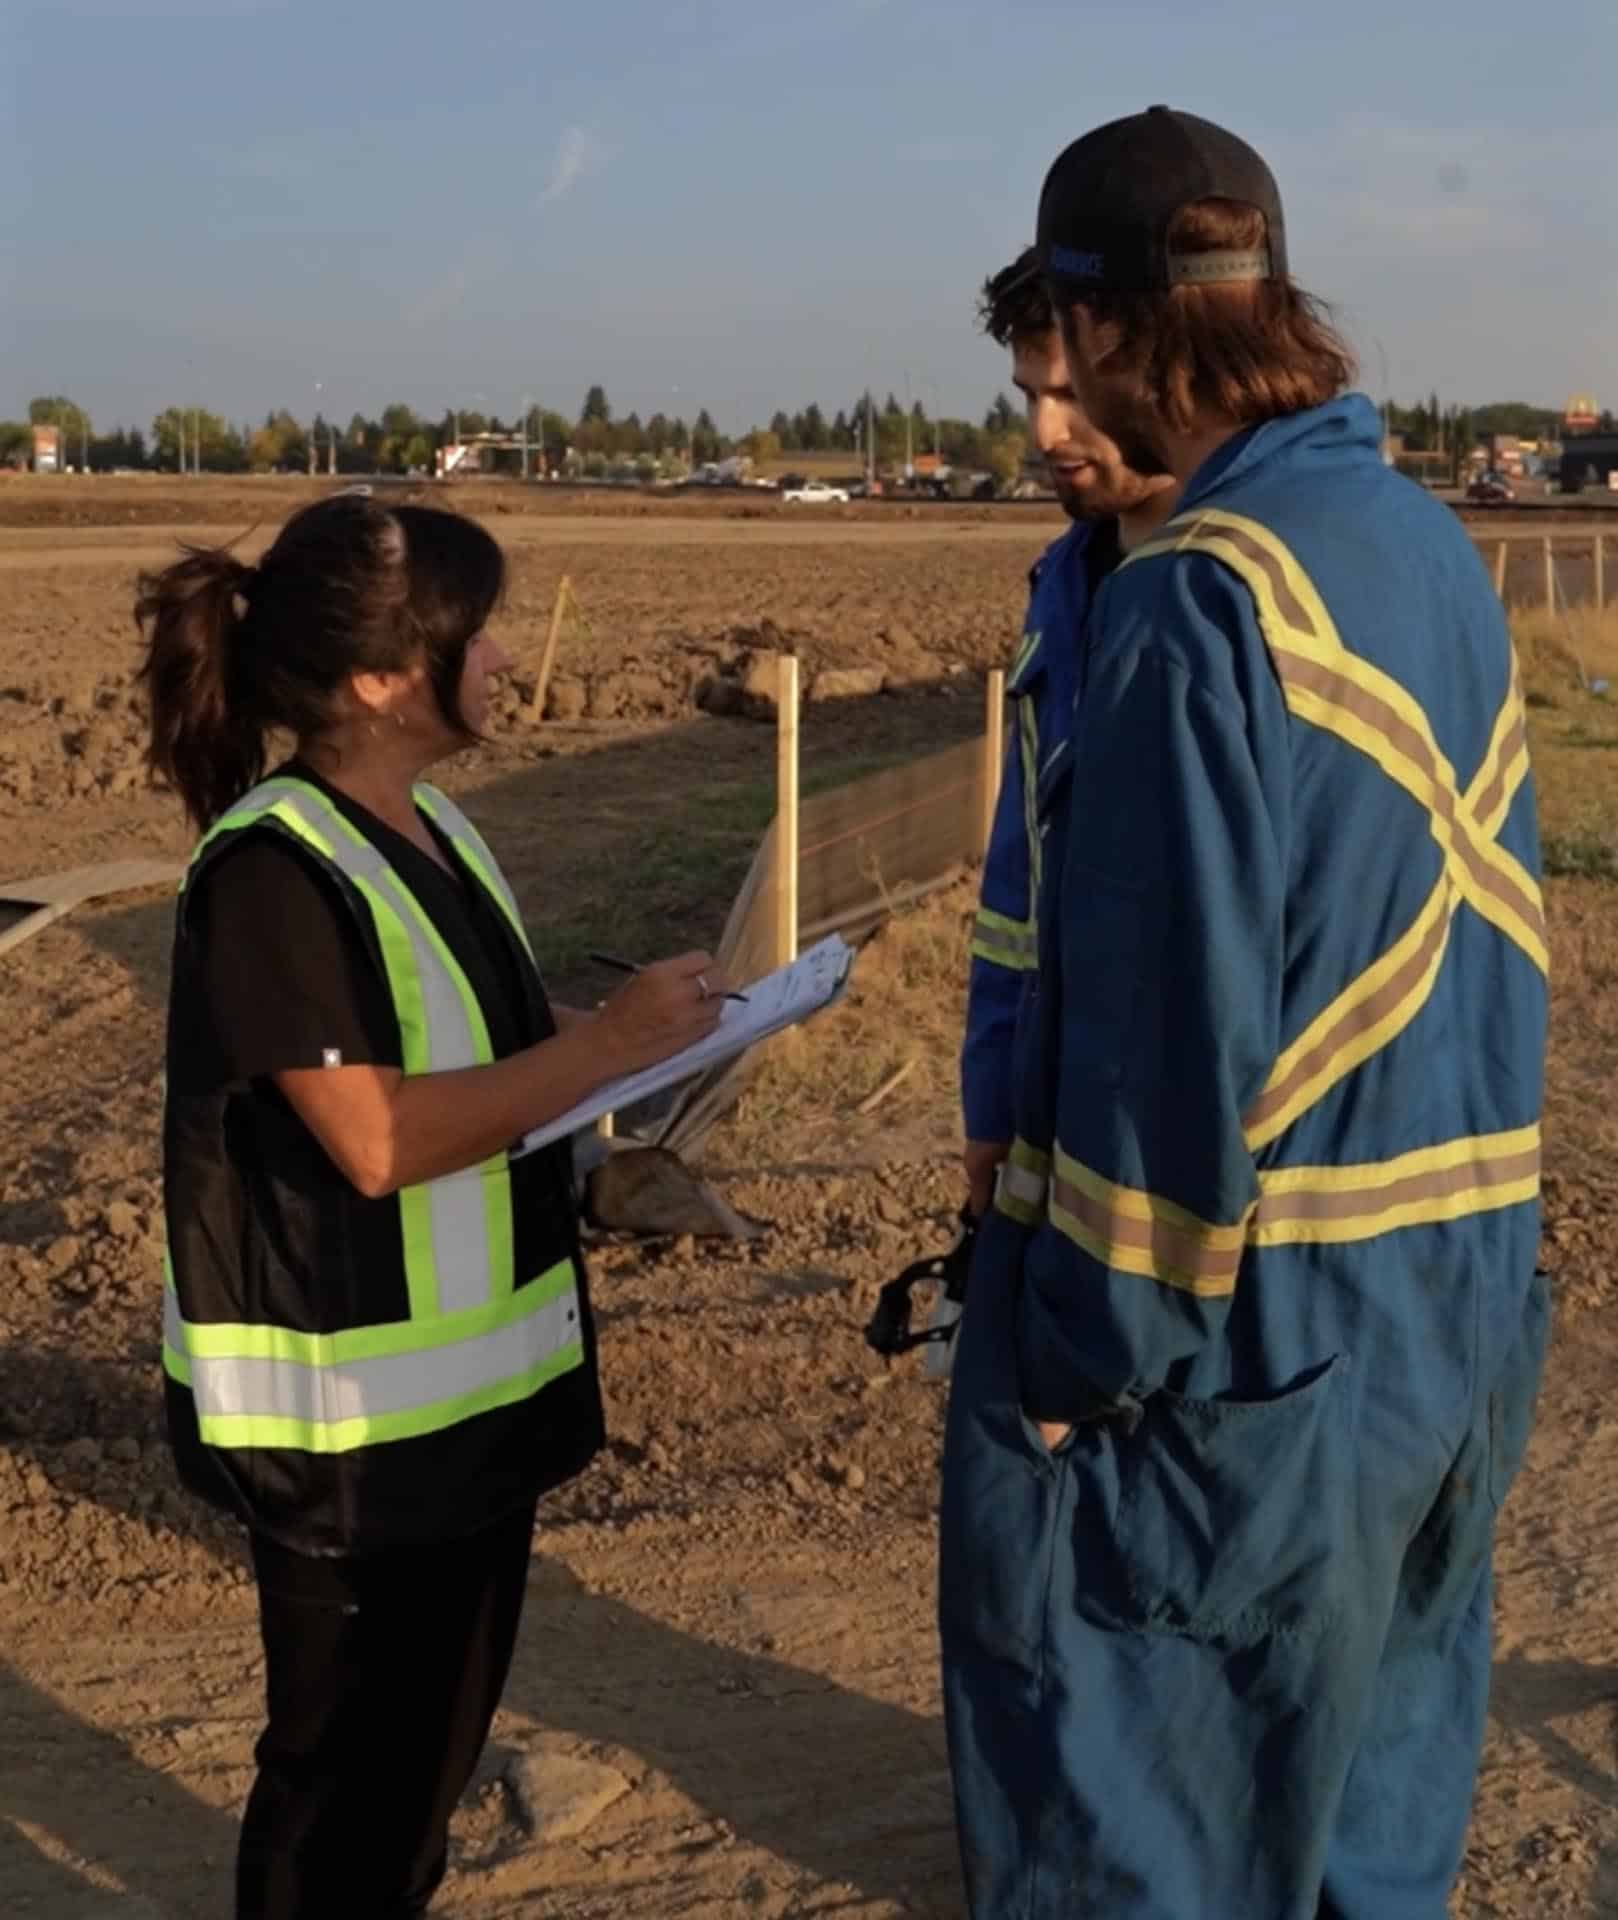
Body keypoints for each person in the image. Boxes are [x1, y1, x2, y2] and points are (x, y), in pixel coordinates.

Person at [939, 107, 1549, 1918]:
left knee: (1152, 1831)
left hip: (1233, 1353)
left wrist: (1069, 1373)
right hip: (1444, 1308)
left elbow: (1158, 1052)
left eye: (1066, 370)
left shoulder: (1201, 607)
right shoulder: (1405, 542)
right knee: (1365, 1804)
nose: (1041, 426)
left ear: (1148, 333)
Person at [137, 494, 728, 1920]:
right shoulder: (275, 872)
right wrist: (601, 1052)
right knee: (342, 1787)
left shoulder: (435, 826)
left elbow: (488, 1035)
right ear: (380, 679)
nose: (507, 657)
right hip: (347, 1435)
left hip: (461, 1416)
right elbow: (377, 1139)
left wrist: (671, 1033)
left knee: (415, 1784)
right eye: (479, 631)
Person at [961, 249, 1179, 1230]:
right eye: (1028, 396)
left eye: (1071, 393)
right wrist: (993, 1100)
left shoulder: (1243, 588)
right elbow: (1017, 884)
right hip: (1065, 1108)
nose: (1045, 432)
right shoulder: (1063, 586)